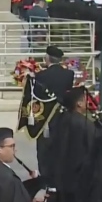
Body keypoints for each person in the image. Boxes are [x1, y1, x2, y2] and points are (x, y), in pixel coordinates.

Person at [44, 86, 99, 202]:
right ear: (78, 103)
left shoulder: (60, 120)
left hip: (62, 177)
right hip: (79, 179)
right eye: (84, 100)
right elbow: (93, 151)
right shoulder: (84, 125)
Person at [32, 45, 75, 180]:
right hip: (62, 116)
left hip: (46, 117)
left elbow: (37, 97)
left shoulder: (41, 76)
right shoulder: (69, 75)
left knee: (44, 149)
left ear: (47, 58)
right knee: (60, 147)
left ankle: (45, 177)